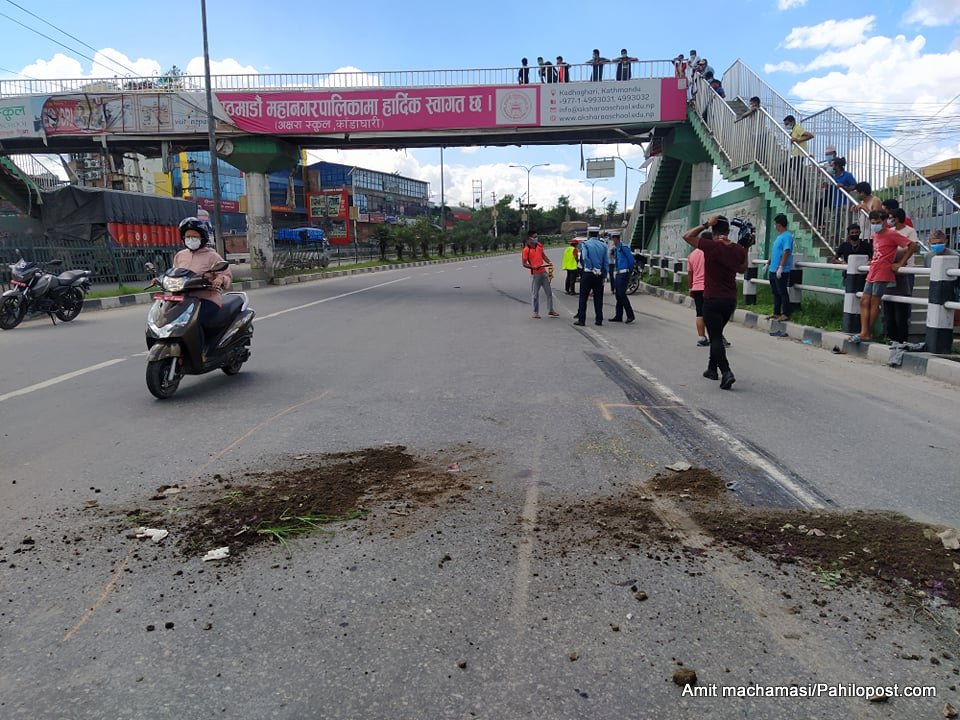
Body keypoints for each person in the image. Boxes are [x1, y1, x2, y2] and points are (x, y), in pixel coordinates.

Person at [682, 216, 747, 390]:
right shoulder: (738, 249)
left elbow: (687, 236)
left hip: (712, 299)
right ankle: (712, 369)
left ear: (713, 231)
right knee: (716, 333)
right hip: (730, 301)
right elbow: (742, 268)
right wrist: (746, 247)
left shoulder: (711, 246)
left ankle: (726, 372)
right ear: (728, 231)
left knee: (715, 338)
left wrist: (705, 224)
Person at [852, 209, 918, 344]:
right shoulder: (875, 235)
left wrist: (901, 263)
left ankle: (866, 332)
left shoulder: (891, 234)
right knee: (864, 300)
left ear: (884, 222)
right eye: (873, 222)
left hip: (883, 271)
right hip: (873, 269)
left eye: (877, 222)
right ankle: (864, 331)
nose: (875, 224)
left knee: (875, 301)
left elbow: (912, 246)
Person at [172, 216, 233, 355]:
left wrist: (220, 279)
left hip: (207, 299)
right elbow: (174, 272)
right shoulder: (180, 256)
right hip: (184, 299)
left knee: (195, 322)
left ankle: (201, 352)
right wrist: (160, 279)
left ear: (202, 238)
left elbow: (226, 274)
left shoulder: (212, 256)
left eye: (194, 236)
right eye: (187, 236)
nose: (191, 239)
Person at [882, 208, 919, 342]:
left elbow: (911, 247)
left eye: (891, 217)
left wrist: (901, 262)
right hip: (890, 270)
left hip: (905, 271)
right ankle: (890, 336)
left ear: (896, 218)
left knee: (902, 306)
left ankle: (902, 338)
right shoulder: (889, 232)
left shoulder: (909, 231)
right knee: (889, 306)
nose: (889, 220)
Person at [574, 226, 607, 326]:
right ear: (598, 234)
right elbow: (606, 262)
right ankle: (599, 319)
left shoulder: (585, 244)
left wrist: (591, 267)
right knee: (598, 298)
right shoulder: (603, 245)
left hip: (588, 273)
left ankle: (582, 319)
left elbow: (585, 257)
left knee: (583, 297)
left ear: (589, 234)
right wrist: (604, 275)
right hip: (599, 274)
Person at [521, 229, 558, 319]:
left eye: (537, 237)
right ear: (529, 238)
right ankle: (535, 312)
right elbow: (524, 264)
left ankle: (551, 310)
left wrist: (548, 261)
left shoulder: (539, 245)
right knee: (535, 294)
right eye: (534, 237)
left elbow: (543, 255)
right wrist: (532, 267)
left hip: (543, 272)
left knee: (549, 292)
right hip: (535, 274)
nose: (536, 239)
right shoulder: (526, 250)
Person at [767, 214, 794, 322]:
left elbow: (786, 251)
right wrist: (769, 261)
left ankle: (786, 313)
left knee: (782, 291)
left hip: (781, 269)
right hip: (773, 268)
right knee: (775, 292)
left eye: (775, 224)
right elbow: (776, 250)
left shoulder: (787, 236)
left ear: (778, 224)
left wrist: (781, 266)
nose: (775, 226)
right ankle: (776, 312)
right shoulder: (779, 237)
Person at [608, 231, 636, 323]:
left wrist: (630, 271)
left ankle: (630, 315)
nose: (612, 240)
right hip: (619, 273)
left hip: (624, 273)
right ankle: (618, 315)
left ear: (615, 238)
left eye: (612, 238)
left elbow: (631, 260)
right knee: (618, 295)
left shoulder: (623, 247)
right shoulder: (616, 248)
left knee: (622, 294)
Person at [687, 240, 708, 346]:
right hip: (710, 287)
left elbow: (690, 274)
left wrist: (690, 288)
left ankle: (701, 337)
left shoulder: (692, 255)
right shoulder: (711, 253)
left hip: (697, 287)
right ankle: (717, 336)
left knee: (700, 313)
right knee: (712, 313)